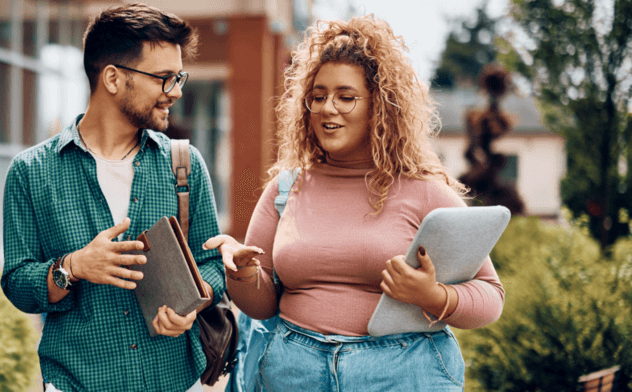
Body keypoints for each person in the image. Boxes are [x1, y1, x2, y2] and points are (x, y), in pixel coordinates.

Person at [205, 15, 505, 391]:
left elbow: (491, 296)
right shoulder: (285, 190)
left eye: (346, 97)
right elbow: (262, 307)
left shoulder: (425, 192)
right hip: (293, 371)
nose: (328, 108)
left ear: (380, 106)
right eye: (318, 97)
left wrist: (432, 295)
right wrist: (243, 274)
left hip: (402, 372)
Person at [0, 4, 225, 392]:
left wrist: (193, 302)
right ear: (113, 78)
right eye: (164, 78)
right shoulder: (31, 172)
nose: (177, 92)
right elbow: (17, 282)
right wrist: (74, 267)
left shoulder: (184, 165)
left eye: (179, 77)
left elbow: (211, 265)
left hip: (173, 381)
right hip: (78, 382)